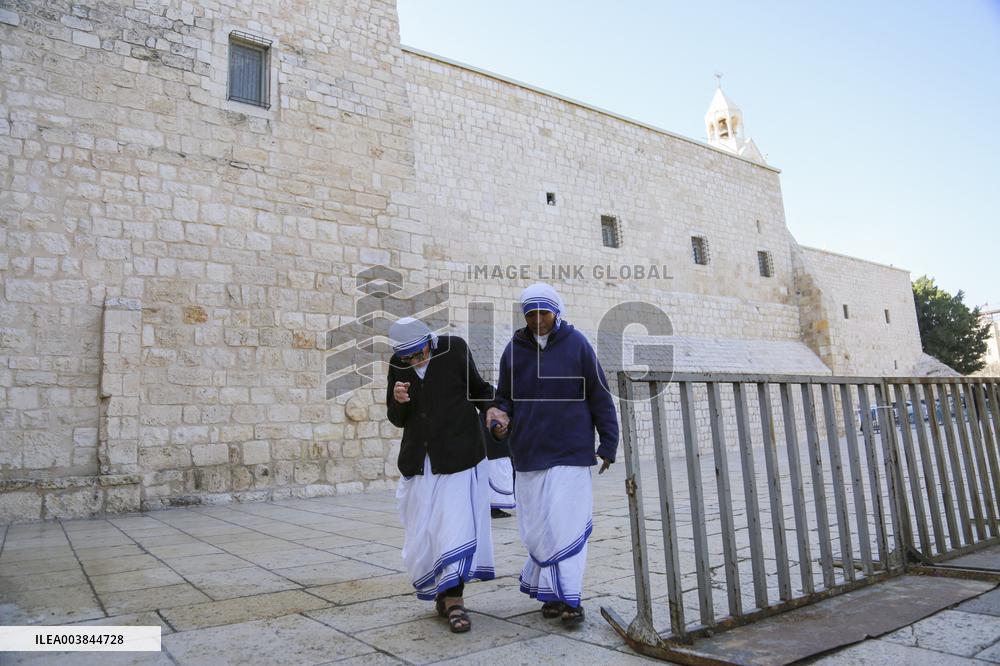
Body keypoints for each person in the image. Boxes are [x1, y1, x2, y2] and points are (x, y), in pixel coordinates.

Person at [486, 283, 619, 625]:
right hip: (528, 454)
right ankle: (550, 592)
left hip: (570, 451)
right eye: (531, 314)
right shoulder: (513, 351)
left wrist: (608, 442)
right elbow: (504, 399)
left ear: (557, 312)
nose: (538, 320)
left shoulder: (577, 345)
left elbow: (599, 394)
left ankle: (571, 600)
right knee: (538, 530)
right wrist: (498, 418)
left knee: (567, 526)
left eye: (544, 313)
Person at [386, 317, 495, 633]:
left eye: (418, 353)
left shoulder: (454, 349)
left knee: (453, 528)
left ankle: (455, 601)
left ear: (428, 342)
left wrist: (494, 410)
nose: (413, 360)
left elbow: (479, 389)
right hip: (420, 463)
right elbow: (397, 418)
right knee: (427, 531)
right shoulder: (399, 363)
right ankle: (442, 591)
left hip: (458, 457)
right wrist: (398, 401)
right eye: (408, 357)